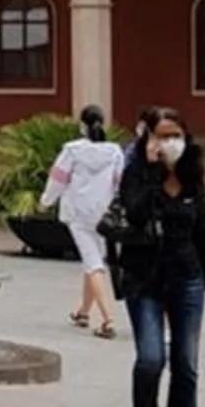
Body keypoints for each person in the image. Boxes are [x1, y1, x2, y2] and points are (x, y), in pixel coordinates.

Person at [113, 111, 205, 407]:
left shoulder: (193, 178)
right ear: (149, 141)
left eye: (176, 134)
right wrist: (149, 171)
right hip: (144, 277)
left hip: (188, 277)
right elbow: (133, 213)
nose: (170, 142)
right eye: (162, 136)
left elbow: (203, 229)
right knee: (150, 359)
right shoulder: (136, 174)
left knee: (186, 363)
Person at [42, 105, 126, 339]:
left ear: (83, 126)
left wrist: (46, 201)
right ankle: (83, 311)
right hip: (104, 212)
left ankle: (108, 319)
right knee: (94, 258)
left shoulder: (72, 150)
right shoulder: (115, 152)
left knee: (93, 263)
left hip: (79, 212)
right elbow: (120, 183)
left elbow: (57, 179)